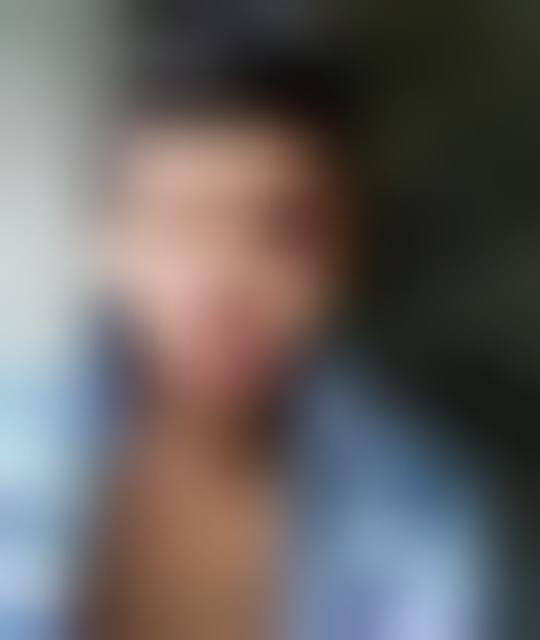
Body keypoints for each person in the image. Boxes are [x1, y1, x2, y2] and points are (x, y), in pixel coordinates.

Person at [86, 29, 498, 640]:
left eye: (279, 232)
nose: (222, 283)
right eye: (181, 223)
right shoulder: (17, 455)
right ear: (108, 241)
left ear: (345, 250)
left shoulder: (418, 511)